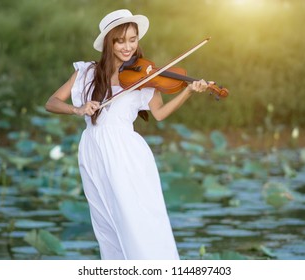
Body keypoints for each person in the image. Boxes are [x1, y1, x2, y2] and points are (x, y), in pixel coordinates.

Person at [45, 9, 210, 260]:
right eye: (120, 40)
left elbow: (160, 114)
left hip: (126, 153)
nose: (128, 46)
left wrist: (187, 92)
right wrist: (77, 109)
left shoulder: (146, 76)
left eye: (132, 39)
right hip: (93, 149)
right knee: (105, 221)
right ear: (108, 42)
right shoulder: (86, 72)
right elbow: (52, 102)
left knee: (136, 219)